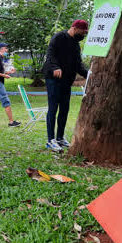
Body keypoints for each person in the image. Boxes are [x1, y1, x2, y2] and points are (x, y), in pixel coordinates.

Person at [42, 20, 89, 152]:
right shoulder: (59, 37)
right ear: (74, 28)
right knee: (53, 108)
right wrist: (55, 67)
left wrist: (89, 74)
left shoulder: (75, 45)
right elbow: (50, 54)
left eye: (85, 33)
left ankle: (60, 138)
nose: (83, 35)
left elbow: (78, 65)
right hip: (53, 78)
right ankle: (50, 140)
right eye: (82, 32)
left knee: (64, 109)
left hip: (66, 81)